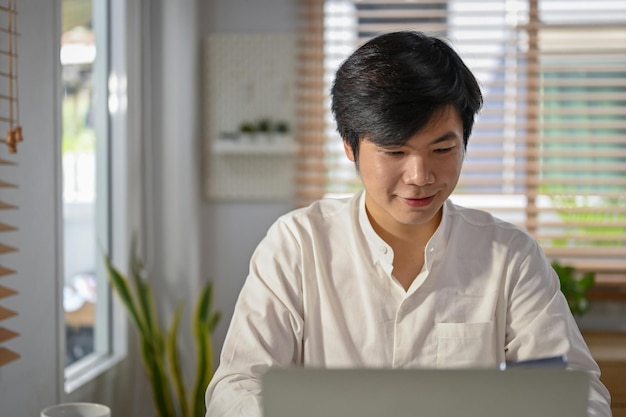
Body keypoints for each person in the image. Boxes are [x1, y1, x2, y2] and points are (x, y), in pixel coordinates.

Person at [205, 31, 612, 417]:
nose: (420, 175)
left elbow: (576, 391)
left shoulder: (511, 257)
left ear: (464, 142)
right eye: (395, 150)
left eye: (442, 148)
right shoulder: (298, 244)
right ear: (351, 147)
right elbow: (237, 384)